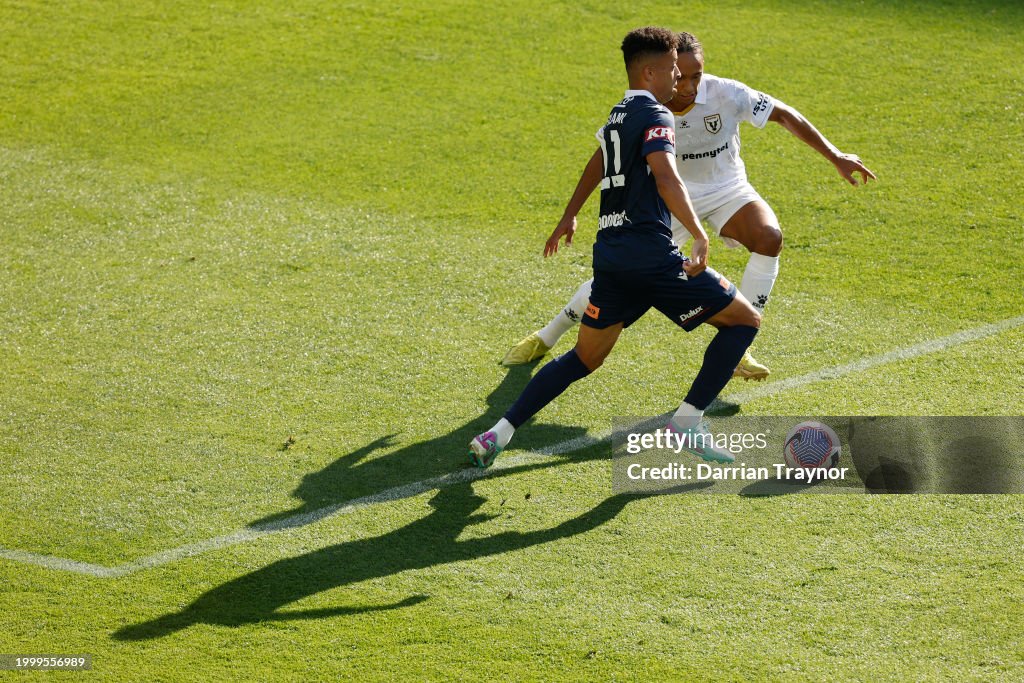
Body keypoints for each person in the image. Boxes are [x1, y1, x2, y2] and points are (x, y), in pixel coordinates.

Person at [501, 31, 876, 380]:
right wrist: (570, 213)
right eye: (682, 76)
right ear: (666, 71)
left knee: (769, 237)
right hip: (669, 200)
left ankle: (740, 348)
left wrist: (835, 155)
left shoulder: (726, 93)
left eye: (697, 75)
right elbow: (603, 156)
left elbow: (782, 113)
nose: (690, 86)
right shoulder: (646, 108)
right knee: (620, 281)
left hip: (727, 189)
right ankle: (546, 336)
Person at [469, 26, 761, 468]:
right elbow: (666, 177)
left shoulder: (617, 114)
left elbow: (599, 161)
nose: (679, 78)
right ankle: (687, 421)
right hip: (651, 256)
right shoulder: (657, 116)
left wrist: (569, 215)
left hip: (610, 257)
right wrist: (699, 234)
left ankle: (497, 433)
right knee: (744, 321)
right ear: (649, 72)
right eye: (672, 70)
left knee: (584, 357)